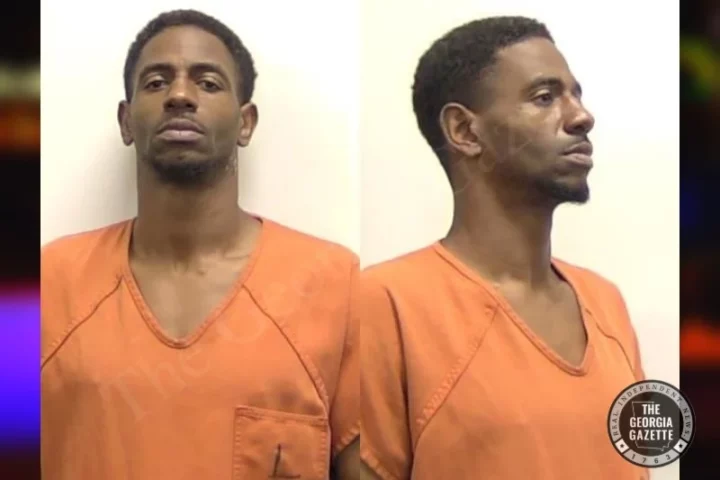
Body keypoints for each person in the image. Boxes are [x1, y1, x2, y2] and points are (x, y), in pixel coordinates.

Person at [41, 9, 359, 479]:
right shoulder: (48, 282)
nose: (180, 96)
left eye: (208, 83)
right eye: (156, 82)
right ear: (126, 122)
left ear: (246, 123)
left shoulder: (334, 284)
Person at [360, 16, 647, 480]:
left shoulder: (605, 303)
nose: (581, 116)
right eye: (545, 97)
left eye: (576, 94)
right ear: (464, 131)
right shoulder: (387, 304)